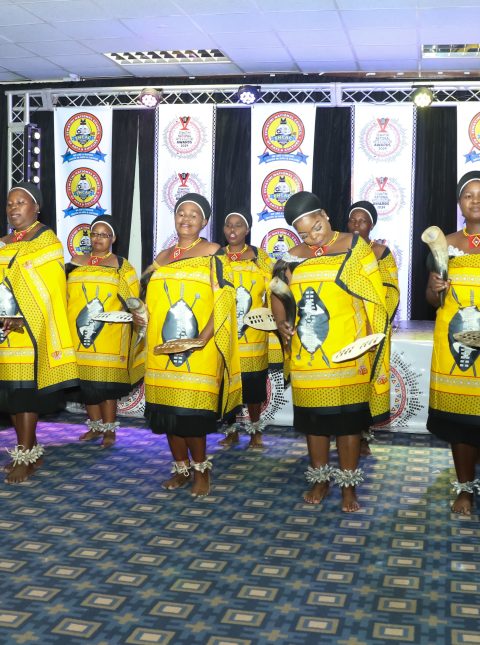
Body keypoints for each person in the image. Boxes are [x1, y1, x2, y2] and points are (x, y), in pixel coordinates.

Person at [271, 191, 389, 512]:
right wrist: (282, 323)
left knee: (348, 424)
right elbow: (278, 294)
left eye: (316, 228)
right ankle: (320, 479)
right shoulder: (292, 256)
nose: (312, 237)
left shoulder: (354, 246)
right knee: (315, 423)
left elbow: (373, 294)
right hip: (309, 355)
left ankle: (349, 486)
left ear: (324, 215)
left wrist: (371, 339)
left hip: (350, 350)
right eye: (304, 234)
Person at [141, 194, 242, 497]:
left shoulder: (214, 253)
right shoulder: (162, 257)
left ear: (204, 221)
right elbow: (144, 296)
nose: (186, 219)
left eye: (193, 214)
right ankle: (181, 468)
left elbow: (225, 298)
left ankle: (201, 470)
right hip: (161, 347)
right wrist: (138, 313)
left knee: (190, 415)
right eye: (181, 213)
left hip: (200, 348)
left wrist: (203, 338)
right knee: (168, 413)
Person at [0, 182, 78, 484]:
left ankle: (24, 456)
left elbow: (51, 289)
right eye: (10, 203)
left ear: (36, 207)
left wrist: (24, 318)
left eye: (21, 202)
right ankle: (30, 452)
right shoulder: (3, 242)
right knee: (11, 396)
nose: (14, 208)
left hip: (30, 331)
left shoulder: (47, 241)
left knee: (26, 396)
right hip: (5, 334)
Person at [426, 171, 480, 515]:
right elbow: (432, 300)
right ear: (459, 203)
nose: (476, 201)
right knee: (462, 422)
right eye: (468, 195)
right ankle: (465, 489)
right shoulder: (444, 244)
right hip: (456, 342)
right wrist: (435, 288)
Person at [66, 215, 144, 449]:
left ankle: (109, 430)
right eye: (95, 234)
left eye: (104, 235)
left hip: (111, 335)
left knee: (105, 386)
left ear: (113, 238)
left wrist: (136, 314)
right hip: (77, 334)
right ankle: (95, 426)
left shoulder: (121, 266)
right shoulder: (75, 262)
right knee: (86, 385)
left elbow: (132, 300)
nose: (98, 238)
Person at [347, 201, 400, 454]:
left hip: (373, 325)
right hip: (346, 325)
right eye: (352, 220)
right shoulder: (340, 248)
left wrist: (377, 318)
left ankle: (364, 435)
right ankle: (346, 432)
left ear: (372, 225)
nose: (357, 225)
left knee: (368, 380)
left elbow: (391, 288)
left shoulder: (381, 252)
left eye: (363, 221)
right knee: (349, 381)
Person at [219, 208, 274, 449]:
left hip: (254, 335)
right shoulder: (217, 256)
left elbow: (273, 289)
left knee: (253, 388)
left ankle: (255, 433)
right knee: (226, 385)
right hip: (225, 334)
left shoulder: (260, 257)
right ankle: (231, 432)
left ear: (247, 229)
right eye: (228, 225)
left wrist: (271, 318)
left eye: (238, 225)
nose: (232, 230)